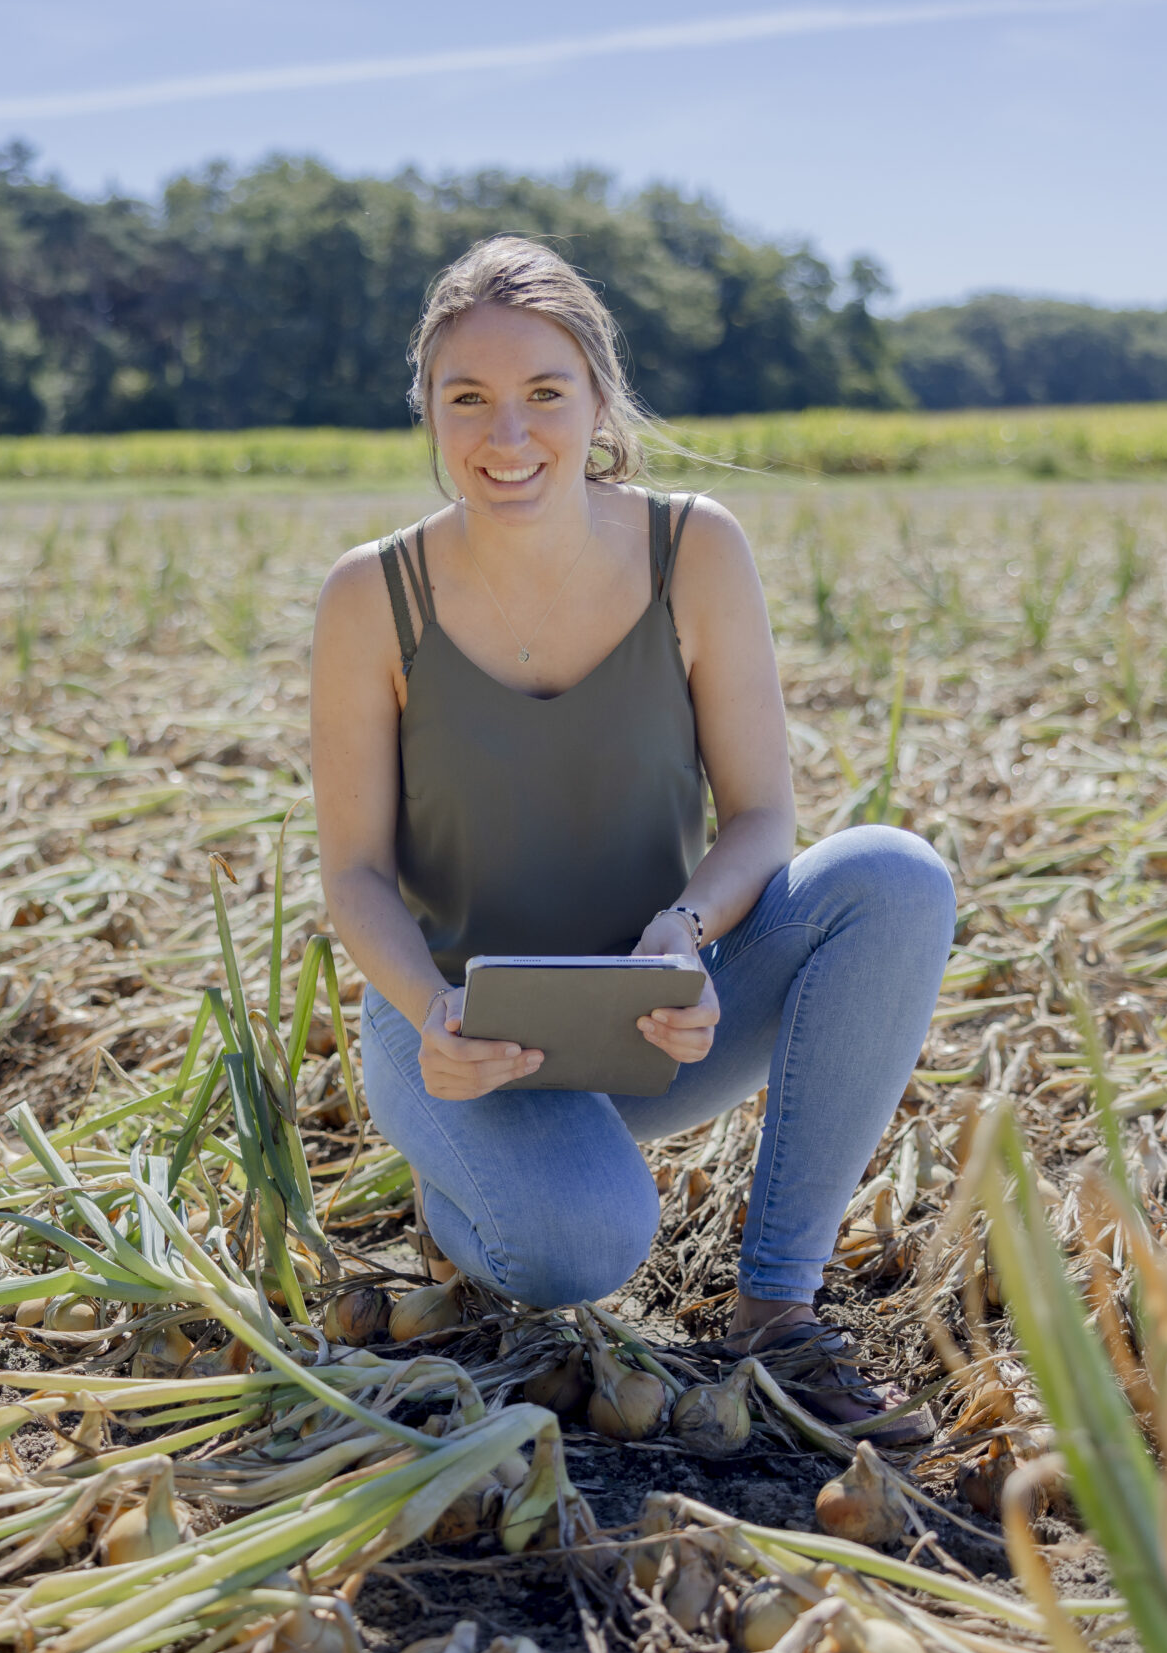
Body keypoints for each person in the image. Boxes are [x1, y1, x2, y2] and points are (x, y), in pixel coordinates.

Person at [308, 236, 954, 1435]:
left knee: (893, 879)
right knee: (581, 1247)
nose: (509, 436)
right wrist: (428, 1013)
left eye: (544, 393)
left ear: (598, 398)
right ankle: (458, 1193)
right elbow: (351, 873)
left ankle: (778, 1313)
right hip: (449, 1027)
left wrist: (687, 933)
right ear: (428, 415)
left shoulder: (692, 548)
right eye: (470, 400)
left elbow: (763, 817)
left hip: (651, 1013)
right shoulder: (371, 595)